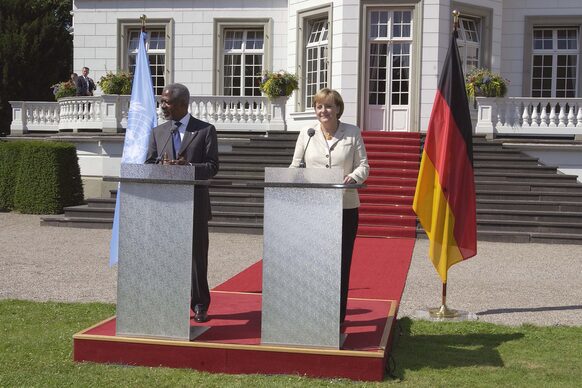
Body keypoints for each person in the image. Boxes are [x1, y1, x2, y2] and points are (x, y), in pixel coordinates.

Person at [290, 88, 369, 324]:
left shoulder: (352, 132)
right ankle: (313, 310)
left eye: (328, 106)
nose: (323, 111)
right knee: (315, 261)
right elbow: (295, 166)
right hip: (314, 209)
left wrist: (354, 177)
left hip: (345, 208)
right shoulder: (307, 133)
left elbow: (364, 166)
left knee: (341, 263)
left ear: (337, 109)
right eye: (319, 106)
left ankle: (337, 316)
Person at [145, 83, 219, 323]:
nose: (163, 106)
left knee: (197, 259)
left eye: (167, 102)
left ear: (182, 104)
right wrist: (162, 168)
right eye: (162, 101)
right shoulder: (158, 132)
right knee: (167, 257)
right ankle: (169, 302)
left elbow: (212, 167)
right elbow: (149, 164)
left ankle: (200, 305)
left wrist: (187, 168)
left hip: (195, 206)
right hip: (166, 206)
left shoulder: (205, 130)